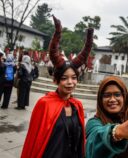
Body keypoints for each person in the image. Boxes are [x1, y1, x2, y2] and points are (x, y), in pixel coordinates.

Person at [21, 15, 94, 158]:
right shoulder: (45, 104)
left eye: (74, 78)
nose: (70, 82)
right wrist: (58, 32)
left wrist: (90, 37)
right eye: (64, 78)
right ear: (56, 80)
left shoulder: (77, 105)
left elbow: (79, 142)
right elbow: (35, 141)